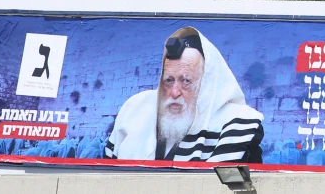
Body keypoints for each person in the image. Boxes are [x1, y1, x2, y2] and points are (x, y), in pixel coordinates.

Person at [105, 27, 265, 162]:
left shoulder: (237, 123)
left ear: (206, 84)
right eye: (168, 80)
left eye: (186, 81)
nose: (174, 92)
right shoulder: (135, 110)